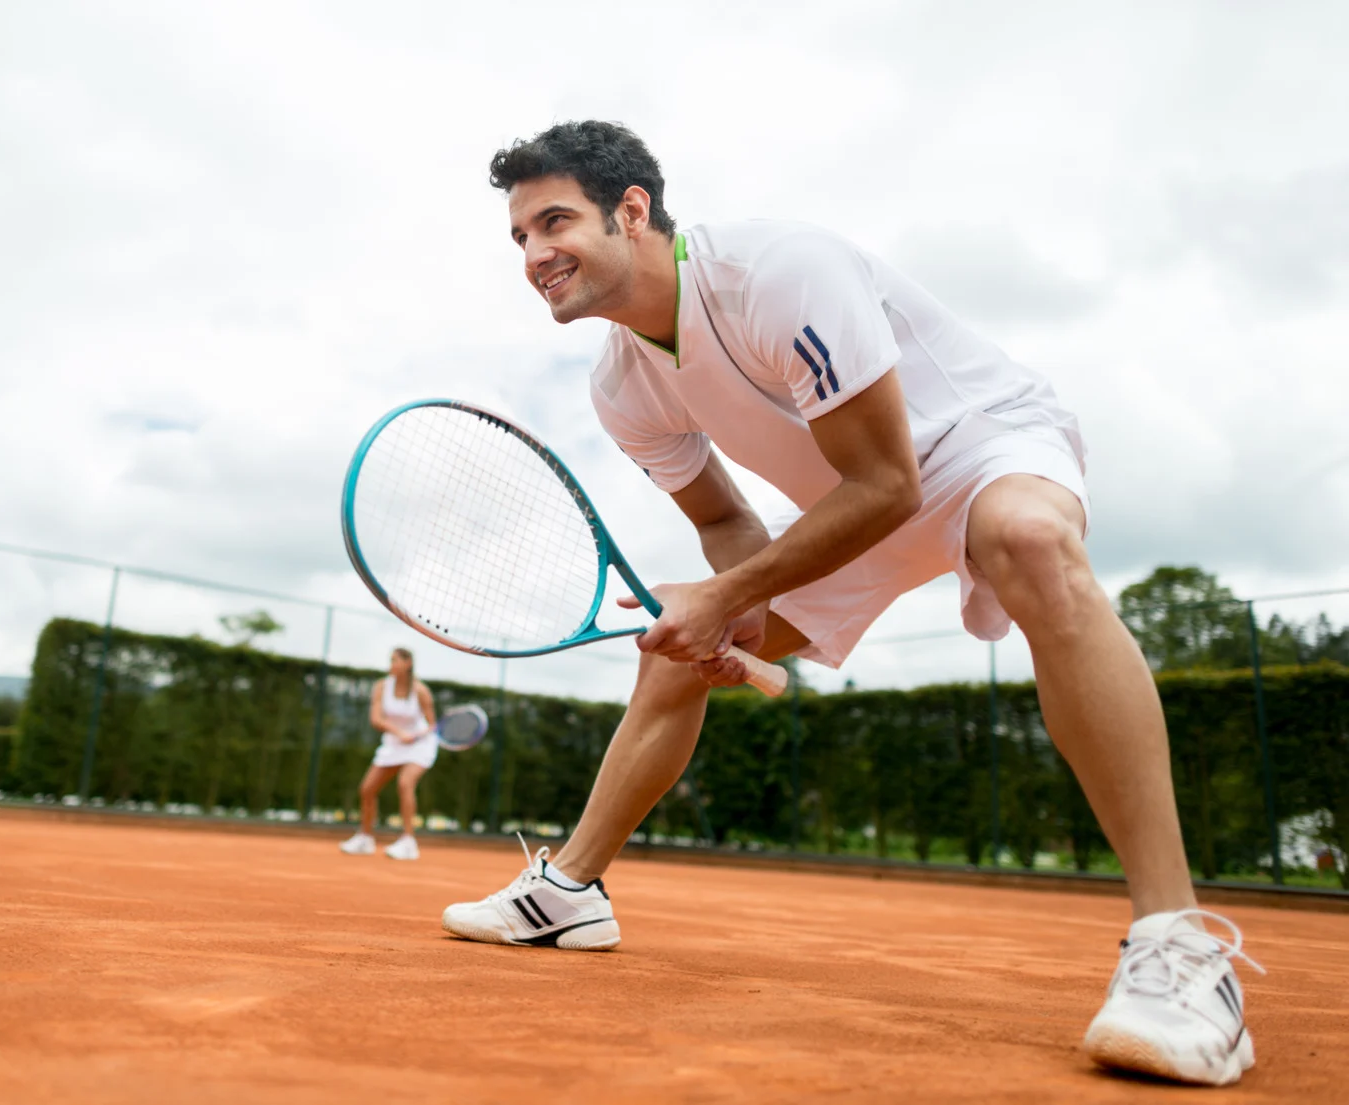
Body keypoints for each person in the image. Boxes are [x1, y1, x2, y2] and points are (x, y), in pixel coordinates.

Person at [439, 121, 1262, 1087]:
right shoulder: (622, 384)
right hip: (858, 501)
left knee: (1031, 543)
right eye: (520, 238)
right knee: (668, 648)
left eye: (554, 222)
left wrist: (727, 598)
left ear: (631, 211)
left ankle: (1182, 948)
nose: (535, 255)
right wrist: (721, 621)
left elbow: (889, 483)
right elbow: (728, 529)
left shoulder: (780, 271)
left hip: (976, 444)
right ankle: (569, 891)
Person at [340, 647, 436, 861]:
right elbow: (376, 719)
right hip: (394, 743)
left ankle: (409, 842)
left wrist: (416, 734)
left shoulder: (421, 691)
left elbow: (432, 725)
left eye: (395, 660)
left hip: (420, 745)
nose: (391, 664)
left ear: (408, 663)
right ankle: (365, 838)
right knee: (367, 789)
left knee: (405, 783)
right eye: (390, 660)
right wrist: (400, 733)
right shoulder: (382, 686)